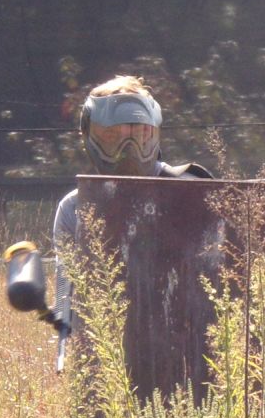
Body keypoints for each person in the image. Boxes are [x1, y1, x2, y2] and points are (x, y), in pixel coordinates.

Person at [50, 75, 212, 331]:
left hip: (184, 339)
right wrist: (63, 318)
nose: (130, 149)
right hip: (108, 342)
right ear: (89, 138)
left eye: (139, 135)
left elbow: (219, 282)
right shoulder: (75, 208)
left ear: (154, 134)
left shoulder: (190, 190)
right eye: (114, 137)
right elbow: (67, 289)